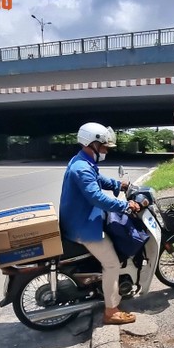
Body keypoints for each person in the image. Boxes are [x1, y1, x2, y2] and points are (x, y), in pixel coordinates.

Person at [60, 122, 141, 325]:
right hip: (82, 226)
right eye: (103, 146)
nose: (106, 150)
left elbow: (98, 180)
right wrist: (125, 206)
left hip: (81, 219)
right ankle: (111, 311)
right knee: (112, 263)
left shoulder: (83, 162)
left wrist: (118, 184)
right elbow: (96, 197)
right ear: (92, 143)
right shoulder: (81, 168)